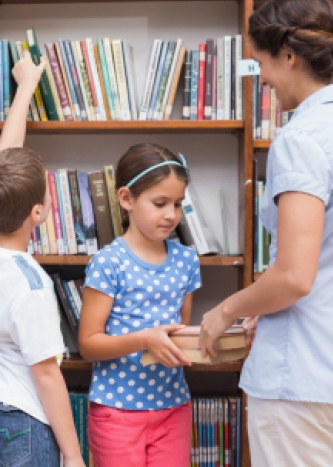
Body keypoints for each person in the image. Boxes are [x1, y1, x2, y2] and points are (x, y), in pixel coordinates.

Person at [199, 0, 333, 466]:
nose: (261, 78)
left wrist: (225, 310)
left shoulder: (302, 138)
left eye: (262, 63)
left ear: (288, 55)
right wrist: (265, 307)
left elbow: (294, 277)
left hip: (299, 376)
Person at [0, 51, 85, 467]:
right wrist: (73, 455)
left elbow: (5, 153)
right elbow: (46, 374)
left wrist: (26, 86)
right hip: (20, 417)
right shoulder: (31, 284)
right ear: (38, 212)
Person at [78, 143, 201, 466]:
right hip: (116, 411)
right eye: (160, 203)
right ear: (126, 199)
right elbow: (88, 344)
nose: (171, 214)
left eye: (178, 204)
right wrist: (145, 340)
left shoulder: (187, 261)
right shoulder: (108, 263)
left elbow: (181, 335)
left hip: (173, 407)